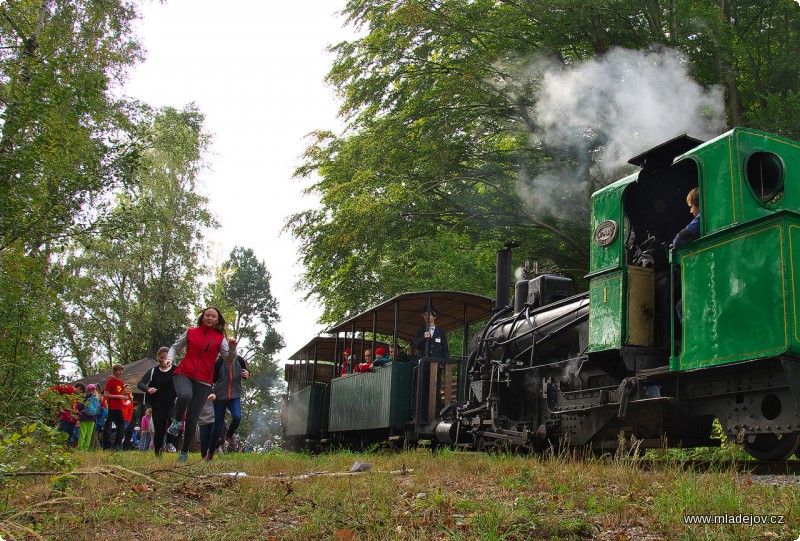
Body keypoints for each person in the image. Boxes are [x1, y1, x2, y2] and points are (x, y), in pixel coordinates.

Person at [165, 307, 238, 462]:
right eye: (207, 315)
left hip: (204, 381)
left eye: (213, 316)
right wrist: (170, 358)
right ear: (203, 317)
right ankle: (177, 421)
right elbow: (175, 347)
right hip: (184, 373)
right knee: (185, 395)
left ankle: (184, 453)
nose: (210, 318)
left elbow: (230, 360)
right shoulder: (191, 332)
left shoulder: (219, 339)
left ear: (217, 321)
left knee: (192, 419)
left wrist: (232, 349)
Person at [136, 346, 177, 457]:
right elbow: (140, 384)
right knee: (159, 430)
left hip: (172, 403)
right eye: (162, 358)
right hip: (158, 405)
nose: (164, 360)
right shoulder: (154, 371)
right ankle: (158, 454)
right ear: (159, 358)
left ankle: (169, 442)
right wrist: (148, 389)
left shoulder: (175, 369)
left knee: (174, 422)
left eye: (166, 357)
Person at [208, 354, 250, 460]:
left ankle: (229, 435)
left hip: (234, 396)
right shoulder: (219, 363)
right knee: (218, 428)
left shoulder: (239, 360)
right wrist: (212, 393)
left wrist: (247, 374)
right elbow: (210, 380)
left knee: (237, 417)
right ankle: (211, 453)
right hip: (220, 397)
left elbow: (246, 372)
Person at [103, 364, 127, 451]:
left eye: (121, 370)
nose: (120, 372)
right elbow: (106, 394)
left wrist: (123, 396)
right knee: (108, 426)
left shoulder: (121, 382)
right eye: (119, 370)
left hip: (119, 407)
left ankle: (117, 446)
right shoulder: (110, 381)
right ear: (114, 371)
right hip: (112, 406)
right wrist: (118, 396)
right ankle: (106, 446)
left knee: (121, 426)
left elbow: (121, 394)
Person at [77, 384, 99, 451]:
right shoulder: (96, 398)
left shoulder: (84, 397)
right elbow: (98, 409)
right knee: (89, 434)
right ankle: (86, 447)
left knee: (82, 433)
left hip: (84, 417)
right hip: (92, 418)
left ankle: (80, 447)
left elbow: (79, 407)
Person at [197, 394, 217, 461]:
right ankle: (204, 456)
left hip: (212, 418)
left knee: (212, 436)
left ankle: (210, 455)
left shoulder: (212, 393)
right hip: (202, 420)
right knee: (203, 438)